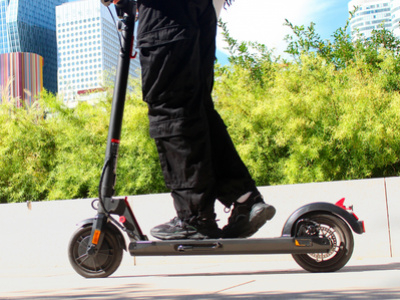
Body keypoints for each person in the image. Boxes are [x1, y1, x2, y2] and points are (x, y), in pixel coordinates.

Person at [136, 0, 275, 240]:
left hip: (166, 14)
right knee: (198, 109)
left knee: (171, 108)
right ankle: (244, 199)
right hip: (204, 10)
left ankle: (194, 217)